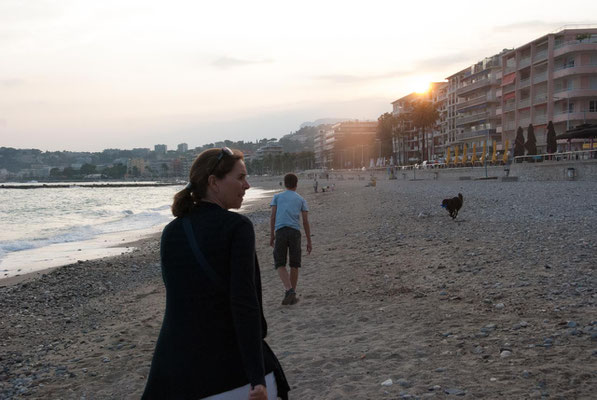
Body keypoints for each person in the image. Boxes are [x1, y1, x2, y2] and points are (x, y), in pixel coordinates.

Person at [142, 148, 290, 400]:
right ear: (213, 182)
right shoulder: (237, 227)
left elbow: (177, 306)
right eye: (240, 177)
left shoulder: (171, 232)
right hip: (231, 373)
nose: (247, 185)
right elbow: (245, 304)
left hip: (176, 373)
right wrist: (256, 379)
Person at [270, 173, 312, 306]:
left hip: (281, 231)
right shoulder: (301, 199)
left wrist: (272, 235)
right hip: (295, 233)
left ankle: (289, 290)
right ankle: (291, 293)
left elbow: (273, 217)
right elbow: (305, 221)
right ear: (296, 184)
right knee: (295, 264)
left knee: (279, 263)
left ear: (284, 183)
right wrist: (309, 240)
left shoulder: (277, 197)